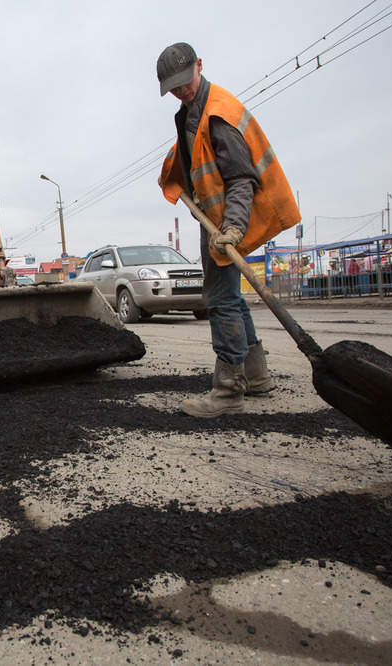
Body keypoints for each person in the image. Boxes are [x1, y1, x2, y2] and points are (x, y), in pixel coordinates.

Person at [156, 43, 300, 418]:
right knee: (231, 298)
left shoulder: (218, 113)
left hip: (229, 224)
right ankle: (256, 376)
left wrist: (233, 228)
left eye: (184, 81)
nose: (181, 89)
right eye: (173, 86)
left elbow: (240, 179)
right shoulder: (193, 110)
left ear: (200, 66)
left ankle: (228, 390)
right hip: (216, 224)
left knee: (220, 301)